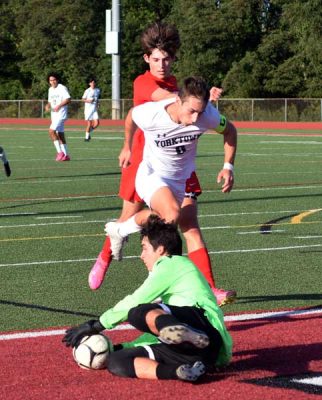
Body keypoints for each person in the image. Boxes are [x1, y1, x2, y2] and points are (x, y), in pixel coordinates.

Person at [89, 22, 236, 307]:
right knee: (133, 216)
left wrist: (201, 104)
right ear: (146, 58)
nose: (162, 64)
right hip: (145, 160)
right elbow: (164, 101)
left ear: (174, 57)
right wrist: (199, 102)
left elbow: (199, 114)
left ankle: (208, 289)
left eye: (167, 58)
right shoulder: (146, 83)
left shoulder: (178, 86)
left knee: (188, 224)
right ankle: (105, 256)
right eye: (156, 58)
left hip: (179, 162)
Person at [63, 215, 232, 382]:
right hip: (201, 356)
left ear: (160, 249)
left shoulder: (172, 263)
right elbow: (162, 332)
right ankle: (180, 372)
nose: (141, 255)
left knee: (137, 311)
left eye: (144, 248)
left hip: (204, 328)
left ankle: (187, 335)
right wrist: (116, 348)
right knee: (116, 361)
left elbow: (135, 300)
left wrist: (96, 325)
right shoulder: (171, 302)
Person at [105, 76, 237, 274]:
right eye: (191, 111)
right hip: (151, 175)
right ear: (178, 101)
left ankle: (120, 231)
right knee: (173, 214)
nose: (195, 119)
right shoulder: (153, 114)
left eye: (199, 112)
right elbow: (131, 116)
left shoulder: (207, 116)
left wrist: (228, 166)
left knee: (166, 227)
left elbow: (230, 131)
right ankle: (156, 276)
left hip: (179, 182)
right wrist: (127, 146)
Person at [45, 73, 71, 161]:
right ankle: (66, 155)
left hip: (61, 114)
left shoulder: (62, 88)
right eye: (51, 80)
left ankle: (60, 153)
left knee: (51, 131)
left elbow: (68, 99)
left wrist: (59, 106)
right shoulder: (50, 89)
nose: (52, 82)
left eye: (54, 80)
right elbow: (50, 101)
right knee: (60, 134)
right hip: (54, 115)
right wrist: (48, 105)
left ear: (57, 80)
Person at [82, 77, 100, 141]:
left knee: (97, 123)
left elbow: (97, 99)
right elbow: (83, 99)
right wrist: (89, 101)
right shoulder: (87, 91)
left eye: (94, 82)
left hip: (94, 109)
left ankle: (88, 133)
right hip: (88, 110)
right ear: (89, 83)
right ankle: (86, 138)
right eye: (92, 82)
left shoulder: (97, 90)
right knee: (89, 124)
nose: (93, 83)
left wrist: (98, 104)